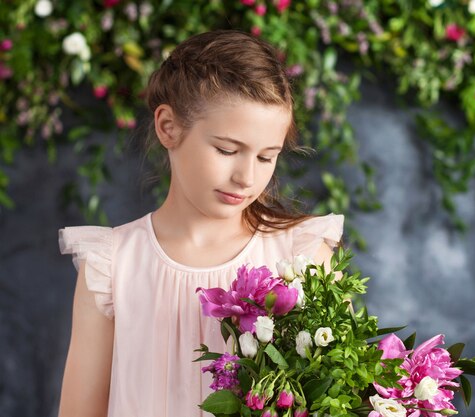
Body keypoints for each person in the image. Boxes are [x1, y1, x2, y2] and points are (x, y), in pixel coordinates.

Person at [56, 30, 344, 417]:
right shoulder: (111, 266)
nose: (246, 177)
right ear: (168, 127)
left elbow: (338, 396)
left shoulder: (302, 255)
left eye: (266, 157)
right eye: (227, 150)